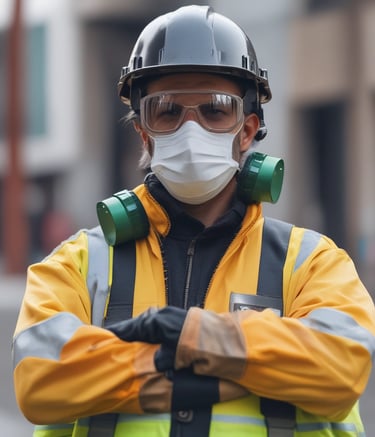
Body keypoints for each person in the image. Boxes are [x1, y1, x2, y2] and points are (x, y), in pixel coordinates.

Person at [12, 5, 375, 437]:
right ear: (143, 132)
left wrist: (192, 334)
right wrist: (190, 363)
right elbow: (38, 378)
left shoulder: (312, 263)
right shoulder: (77, 264)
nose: (190, 128)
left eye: (215, 109)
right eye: (165, 110)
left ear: (247, 129)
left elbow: (342, 365)